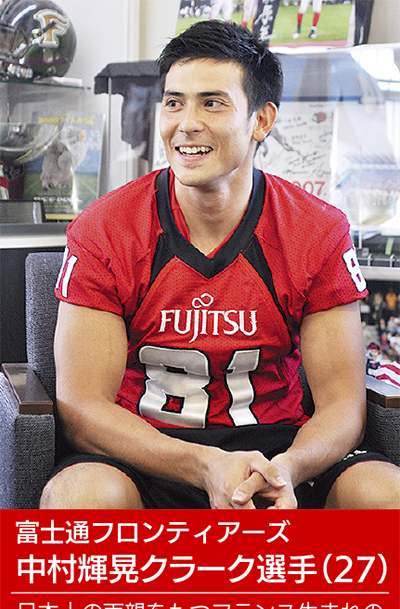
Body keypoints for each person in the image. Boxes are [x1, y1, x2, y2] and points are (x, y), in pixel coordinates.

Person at [40, 20, 400, 511]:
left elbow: (342, 403)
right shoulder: (105, 228)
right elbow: (82, 406)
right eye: (174, 102)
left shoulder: (317, 230)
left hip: (275, 453)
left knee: (384, 493)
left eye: (212, 102)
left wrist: (287, 470)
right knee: (79, 497)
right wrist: (204, 465)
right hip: (146, 454)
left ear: (261, 120)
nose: (186, 123)